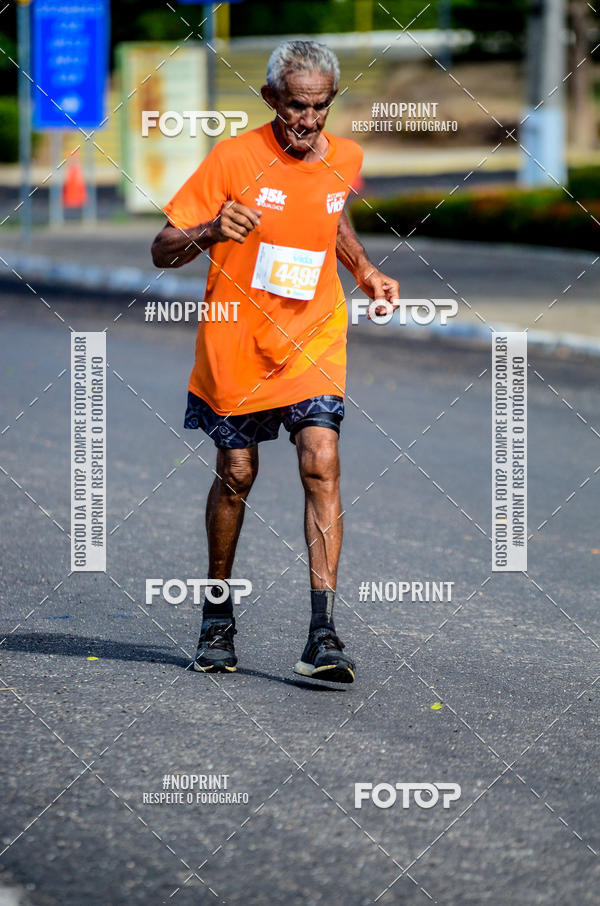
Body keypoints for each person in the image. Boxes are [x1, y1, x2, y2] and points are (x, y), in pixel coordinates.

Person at [151, 40, 399, 683]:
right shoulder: (233, 158)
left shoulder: (346, 156)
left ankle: (323, 635)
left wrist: (365, 269)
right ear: (270, 100)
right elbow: (162, 248)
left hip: (313, 337)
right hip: (236, 343)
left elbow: (333, 216)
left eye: (319, 107)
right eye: (295, 107)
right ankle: (216, 616)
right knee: (237, 472)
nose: (308, 121)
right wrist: (209, 230)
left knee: (322, 459)